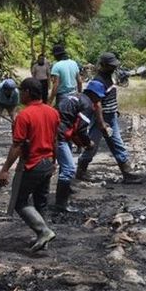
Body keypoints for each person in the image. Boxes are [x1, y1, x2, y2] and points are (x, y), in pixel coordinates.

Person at [0, 78, 59, 252]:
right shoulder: (52, 112)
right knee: (41, 202)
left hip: (33, 164)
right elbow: (55, 140)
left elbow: (17, 146)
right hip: (47, 163)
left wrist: (5, 170)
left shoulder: (24, 115)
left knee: (19, 201)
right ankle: (43, 238)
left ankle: (43, 231)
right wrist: (54, 162)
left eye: (21, 90)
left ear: (28, 92)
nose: (19, 94)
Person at [77, 53, 142, 184]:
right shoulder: (97, 82)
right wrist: (101, 123)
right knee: (97, 145)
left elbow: (108, 97)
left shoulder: (108, 78)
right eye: (111, 66)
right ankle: (81, 170)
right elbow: (96, 104)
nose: (114, 68)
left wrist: (114, 110)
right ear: (104, 65)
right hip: (103, 118)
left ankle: (126, 173)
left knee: (113, 144)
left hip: (109, 116)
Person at [53, 82, 103, 212]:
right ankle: (60, 204)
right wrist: (88, 143)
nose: (99, 100)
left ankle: (66, 189)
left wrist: (79, 142)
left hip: (55, 130)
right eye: (99, 97)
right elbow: (81, 130)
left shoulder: (73, 96)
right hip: (60, 134)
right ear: (94, 95)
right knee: (69, 169)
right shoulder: (87, 105)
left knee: (65, 164)